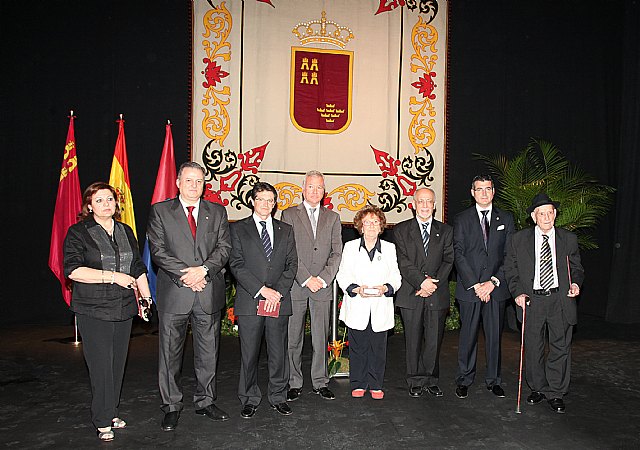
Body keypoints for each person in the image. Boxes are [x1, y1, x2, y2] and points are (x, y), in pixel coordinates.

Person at [147, 162, 232, 431]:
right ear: (178, 182)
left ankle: (205, 401)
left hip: (207, 290)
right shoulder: (161, 211)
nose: (194, 186)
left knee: (209, 352)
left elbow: (224, 247)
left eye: (199, 181)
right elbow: (158, 250)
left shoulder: (216, 212)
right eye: (189, 180)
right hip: (176, 291)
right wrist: (187, 275)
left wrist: (204, 271)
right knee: (170, 353)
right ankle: (171, 405)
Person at [64, 182, 151, 442]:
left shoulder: (125, 230)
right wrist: (112, 277)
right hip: (93, 309)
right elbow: (73, 270)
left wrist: (146, 298)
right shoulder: (79, 232)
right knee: (101, 366)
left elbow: (136, 266)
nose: (106, 204)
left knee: (116, 363)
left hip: (123, 307)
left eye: (110, 199)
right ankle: (102, 419)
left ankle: (111, 411)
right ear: (89, 206)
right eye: (99, 200)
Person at [504, 193, 584, 414]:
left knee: (560, 347)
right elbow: (510, 270)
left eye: (550, 212)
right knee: (533, 347)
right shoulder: (518, 240)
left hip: (560, 299)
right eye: (542, 213)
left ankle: (556, 392)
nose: (547, 217)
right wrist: (518, 293)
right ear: (533, 216)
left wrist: (576, 284)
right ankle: (538, 388)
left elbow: (576, 268)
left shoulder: (568, 239)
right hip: (532, 300)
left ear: (555, 214)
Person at [229, 182, 298, 418]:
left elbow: (292, 265)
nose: (266, 204)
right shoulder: (238, 229)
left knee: (279, 352)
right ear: (252, 201)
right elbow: (236, 264)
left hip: (278, 300)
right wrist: (261, 290)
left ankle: (278, 396)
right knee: (249, 353)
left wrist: (276, 292)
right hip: (251, 300)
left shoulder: (286, 230)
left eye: (270, 200)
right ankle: (249, 397)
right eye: (261, 199)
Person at [280, 171, 343, 402]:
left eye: (319, 187)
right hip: (297, 285)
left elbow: (337, 252)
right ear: (303, 188)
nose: (315, 191)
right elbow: (288, 252)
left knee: (320, 337)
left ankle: (320, 381)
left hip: (323, 287)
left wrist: (324, 278)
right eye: (311, 187)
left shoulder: (334, 218)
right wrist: (307, 278)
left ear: (324, 191)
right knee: (293, 338)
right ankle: (294, 382)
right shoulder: (288, 214)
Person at [453, 175, 515, 399]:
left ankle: (494, 380)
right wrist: (476, 284)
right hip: (470, 289)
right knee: (468, 336)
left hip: (496, 289)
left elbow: (510, 256)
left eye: (488, 189)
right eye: (479, 189)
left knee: (494, 336)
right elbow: (458, 254)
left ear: (493, 191)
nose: (484, 193)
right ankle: (464, 379)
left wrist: (492, 282)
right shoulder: (461, 219)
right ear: (472, 192)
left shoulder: (506, 219)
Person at [336, 205, 402, 400]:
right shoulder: (350, 247)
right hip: (358, 305)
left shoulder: (389, 248)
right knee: (358, 347)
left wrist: (386, 288)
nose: (371, 226)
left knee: (378, 349)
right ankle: (358, 383)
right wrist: (356, 289)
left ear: (381, 225)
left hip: (380, 305)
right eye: (367, 222)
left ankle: (375, 384)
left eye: (375, 222)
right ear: (360, 226)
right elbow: (342, 275)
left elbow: (396, 276)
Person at [394, 188, 454, 398]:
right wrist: (421, 282)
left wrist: (432, 284)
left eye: (429, 201)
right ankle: (415, 380)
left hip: (436, 293)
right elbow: (403, 262)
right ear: (413, 204)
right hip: (411, 293)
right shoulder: (401, 230)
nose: (425, 205)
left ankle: (431, 379)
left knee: (434, 339)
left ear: (435, 205)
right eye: (421, 202)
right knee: (412, 339)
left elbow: (449, 260)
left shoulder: (445, 231)